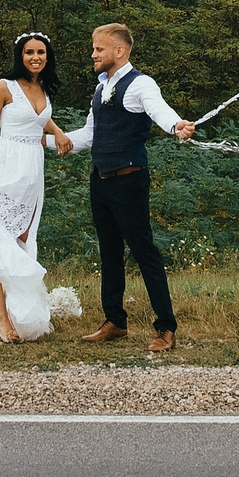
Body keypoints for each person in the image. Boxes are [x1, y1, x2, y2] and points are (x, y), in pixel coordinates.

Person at [51, 23, 195, 353]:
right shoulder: (101, 90)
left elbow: (159, 109)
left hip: (129, 181)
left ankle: (166, 327)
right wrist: (40, 140)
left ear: (119, 51)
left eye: (98, 49)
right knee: (110, 254)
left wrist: (176, 126)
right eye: (93, 48)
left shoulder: (140, 84)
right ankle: (115, 321)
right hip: (100, 181)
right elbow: (88, 136)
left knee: (144, 252)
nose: (93, 54)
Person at [0, 32, 80, 342]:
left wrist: (59, 131)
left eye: (40, 52)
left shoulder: (44, 87)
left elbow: (40, 119)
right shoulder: (5, 87)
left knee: (22, 237)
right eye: (28, 52)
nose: (35, 57)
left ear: (47, 56)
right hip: (7, 162)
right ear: (19, 56)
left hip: (33, 170)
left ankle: (10, 310)